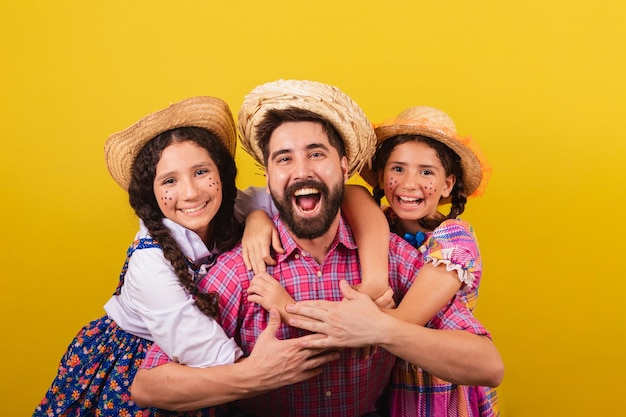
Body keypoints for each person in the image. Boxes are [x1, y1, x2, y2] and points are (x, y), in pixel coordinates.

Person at [130, 79, 503, 417]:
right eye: (284, 159)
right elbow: (148, 386)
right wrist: (252, 376)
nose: (302, 170)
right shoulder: (239, 268)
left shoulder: (394, 254)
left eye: (317, 154)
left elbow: (488, 365)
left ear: (344, 166)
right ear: (269, 176)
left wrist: (382, 329)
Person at [33, 97, 339, 417]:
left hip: (216, 368)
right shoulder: (149, 264)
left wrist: (256, 220)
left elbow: (336, 194)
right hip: (143, 366)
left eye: (201, 172)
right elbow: (212, 356)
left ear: (221, 173)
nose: (191, 193)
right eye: (170, 181)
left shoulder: (232, 209)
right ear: (150, 192)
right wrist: (291, 318)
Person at [362, 105, 498, 416]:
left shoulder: (455, 237)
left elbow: (407, 320)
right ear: (382, 177)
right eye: (397, 169)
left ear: (448, 184)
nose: (409, 184)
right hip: (383, 384)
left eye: (426, 172)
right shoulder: (377, 225)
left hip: (436, 386)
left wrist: (359, 318)